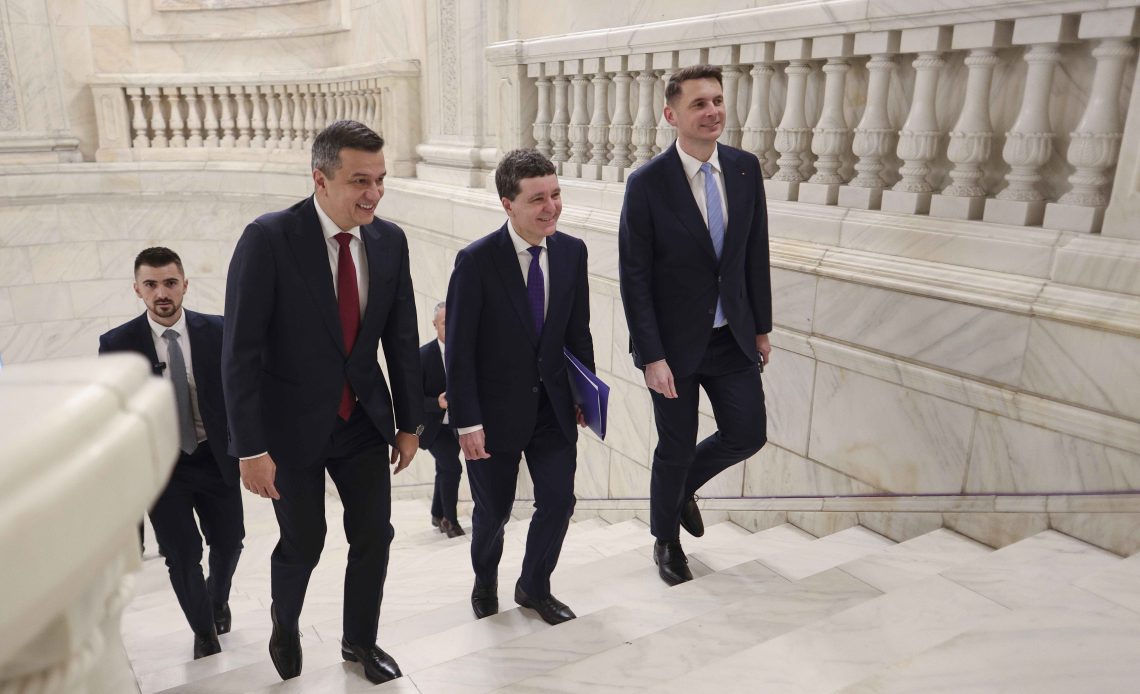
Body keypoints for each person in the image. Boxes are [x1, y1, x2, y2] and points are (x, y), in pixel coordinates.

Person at [221, 120, 423, 685]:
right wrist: (250, 448)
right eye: (360, 181)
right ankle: (285, 623)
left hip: (362, 420)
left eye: (380, 180)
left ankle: (360, 641)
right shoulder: (268, 238)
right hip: (290, 429)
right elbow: (239, 353)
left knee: (374, 536)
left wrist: (410, 423)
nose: (374, 193)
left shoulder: (390, 241)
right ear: (320, 179)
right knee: (304, 542)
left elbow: (401, 338)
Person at [618, 64, 772, 587]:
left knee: (748, 433)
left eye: (717, 101)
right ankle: (665, 540)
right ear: (671, 115)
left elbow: (754, 254)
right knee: (675, 446)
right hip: (672, 348)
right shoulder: (646, 184)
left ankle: (681, 489)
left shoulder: (745, 169)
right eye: (698, 104)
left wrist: (761, 328)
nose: (712, 112)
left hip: (732, 337)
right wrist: (651, 356)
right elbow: (634, 278)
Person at [445, 148, 593, 626]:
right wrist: (467, 422)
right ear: (508, 204)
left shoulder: (572, 252)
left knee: (559, 502)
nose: (551, 207)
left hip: (554, 407)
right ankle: (485, 580)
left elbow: (578, 331)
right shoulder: (476, 261)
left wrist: (584, 394)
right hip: (492, 417)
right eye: (537, 199)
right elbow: (459, 350)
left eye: (555, 194)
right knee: (493, 512)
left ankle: (534, 585)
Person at [99, 246, 244, 659]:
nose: (161, 292)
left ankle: (217, 599)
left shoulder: (218, 330)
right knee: (181, 555)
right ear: (137, 289)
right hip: (161, 468)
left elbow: (241, 392)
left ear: (184, 285)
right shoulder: (116, 343)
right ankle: (203, 631)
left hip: (215, 458)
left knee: (230, 542)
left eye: (169, 283)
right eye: (151, 284)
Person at [420, 302, 466, 538]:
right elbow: (411, 399)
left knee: (444, 467)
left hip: (459, 426)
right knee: (452, 467)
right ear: (435, 325)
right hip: (432, 428)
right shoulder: (422, 356)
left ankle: (437, 513)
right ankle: (450, 520)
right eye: (445, 322)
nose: (450, 326)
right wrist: (435, 404)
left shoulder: (465, 352)